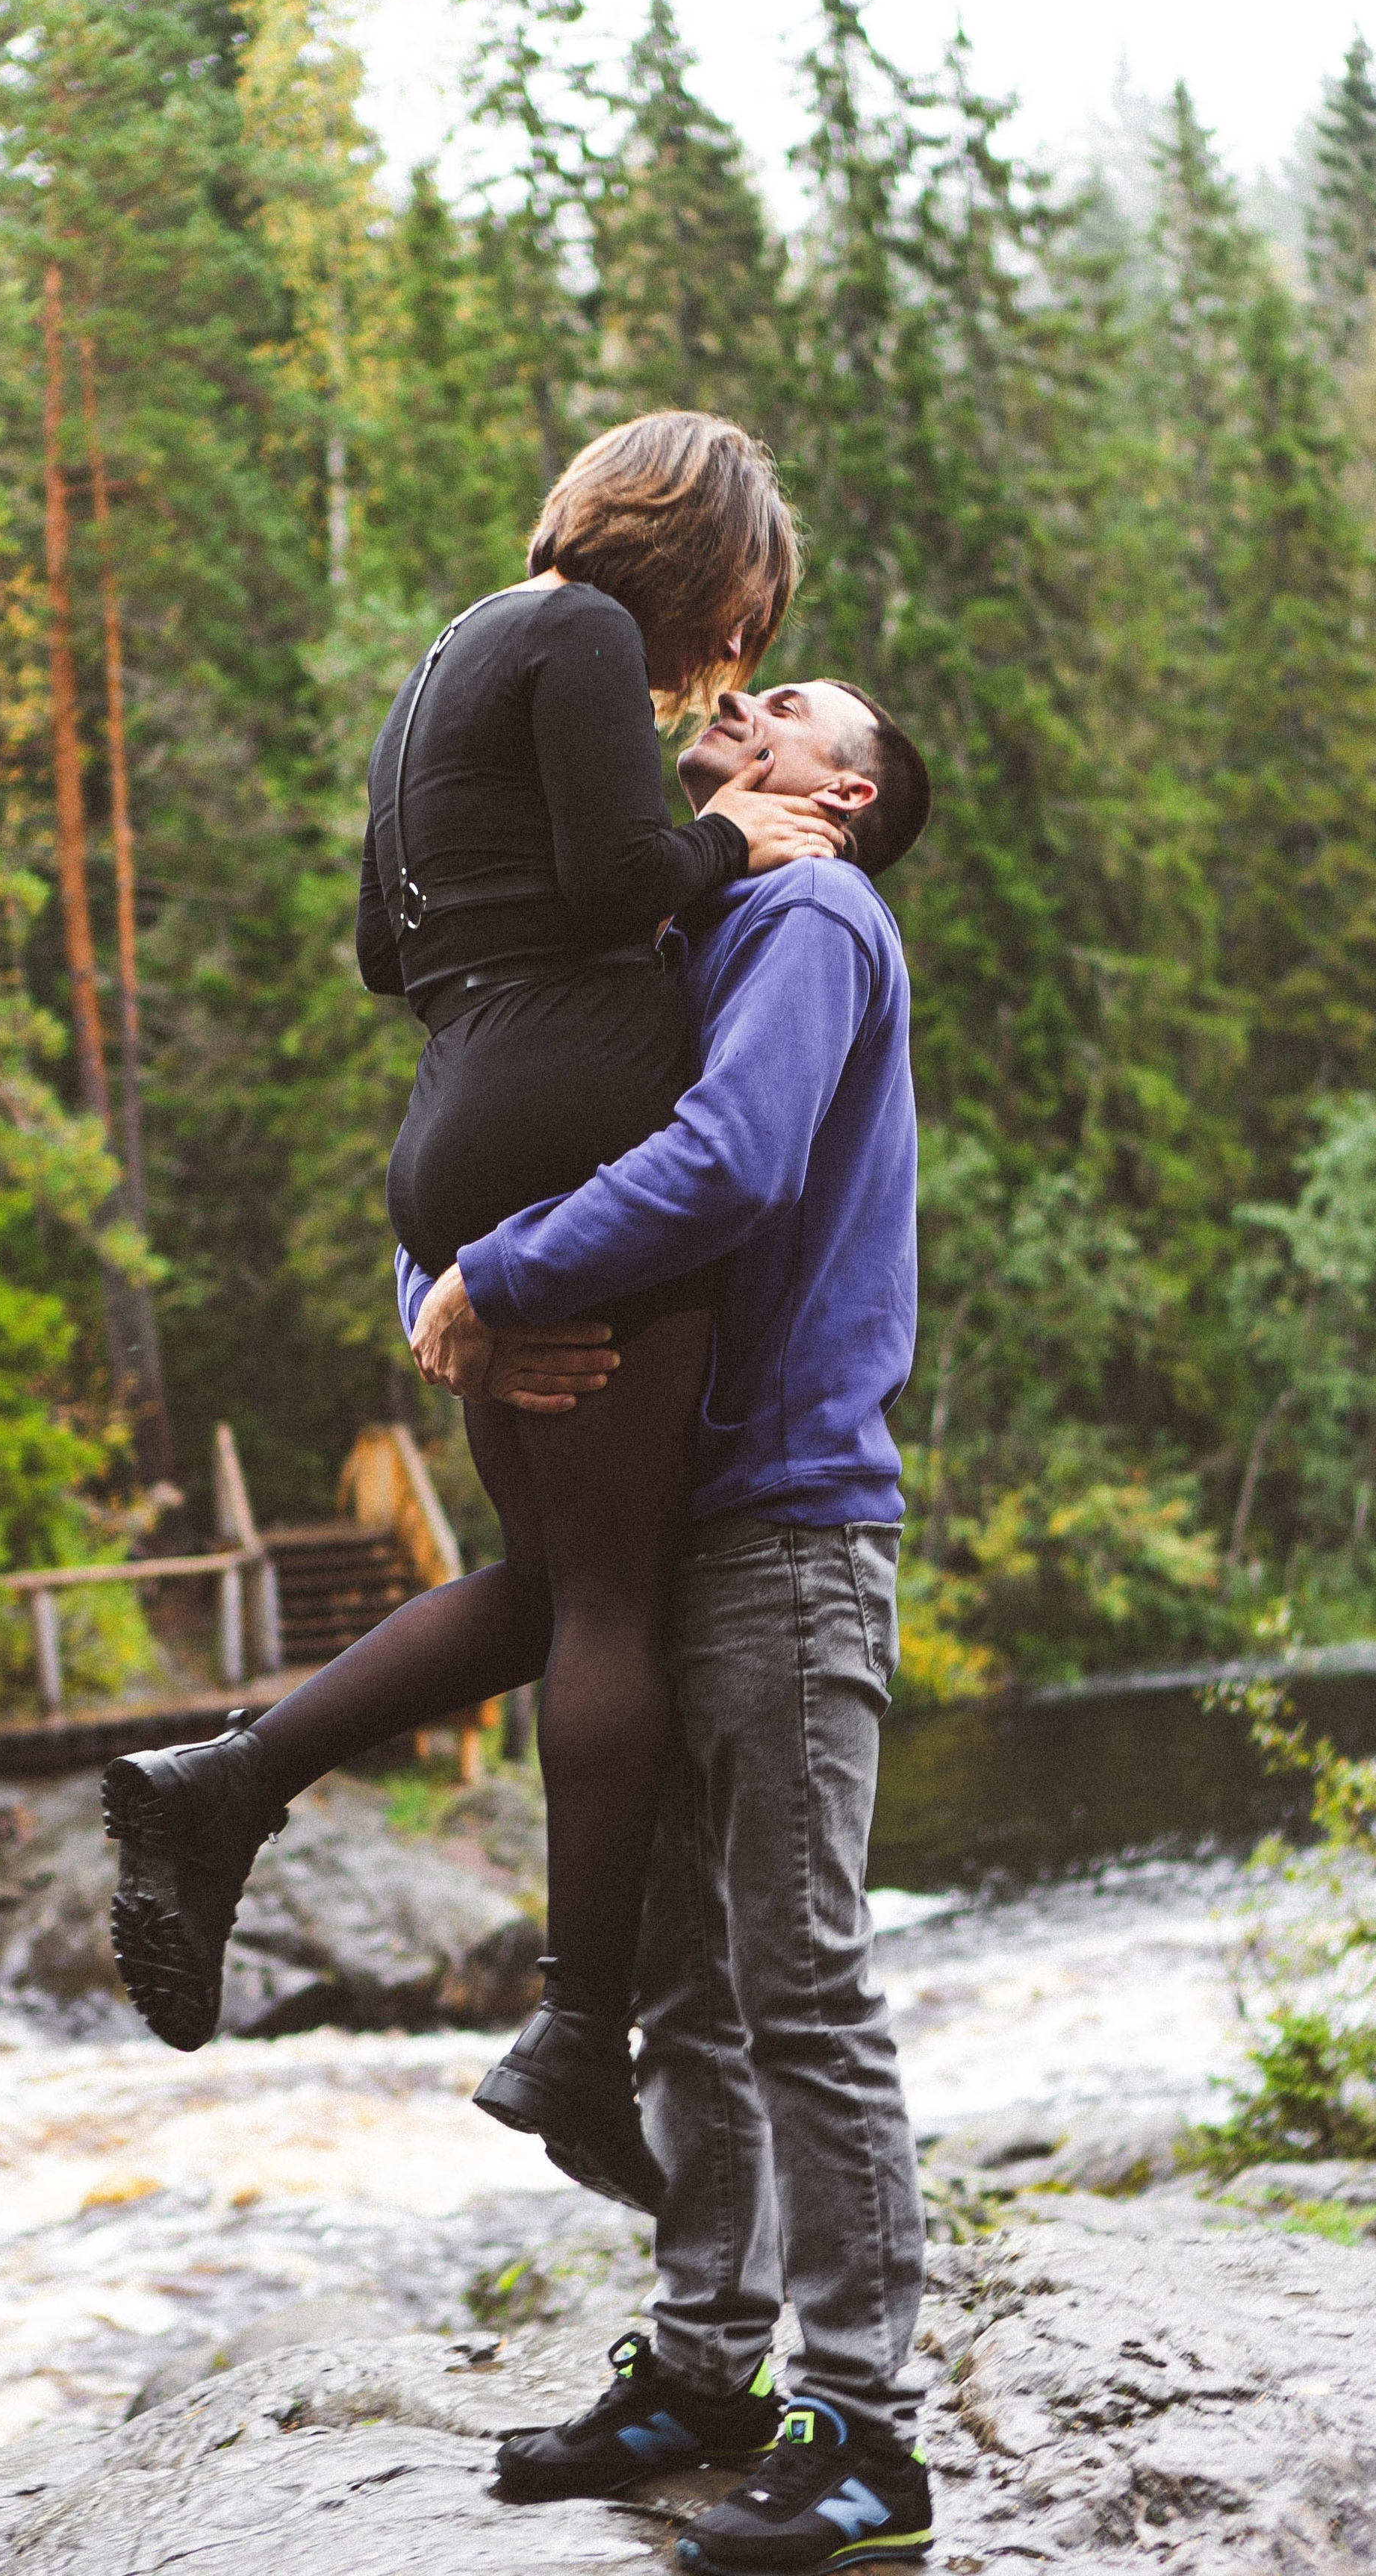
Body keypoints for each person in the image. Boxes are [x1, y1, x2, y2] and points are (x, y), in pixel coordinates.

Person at [101, 414, 842, 2212]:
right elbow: (608, 887)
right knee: (604, 1596)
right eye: (739, 618)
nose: (729, 665)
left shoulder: (445, 659)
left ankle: (232, 1787)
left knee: (539, 1580)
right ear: (686, 549)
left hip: (450, 1127)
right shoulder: (583, 632)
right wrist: (730, 836)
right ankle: (581, 2031)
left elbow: (383, 951)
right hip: (571, 1109)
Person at [411, 673, 938, 2576]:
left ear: (842, 788)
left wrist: (489, 1278)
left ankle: (870, 2437)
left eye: (788, 704)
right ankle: (710, 2371)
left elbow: (732, 1163)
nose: (740, 699)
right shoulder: (674, 923)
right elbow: (493, 1124)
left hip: (789, 1524)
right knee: (691, 1991)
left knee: (794, 1977)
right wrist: (445, 1275)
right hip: (674, 1530)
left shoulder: (807, 913)